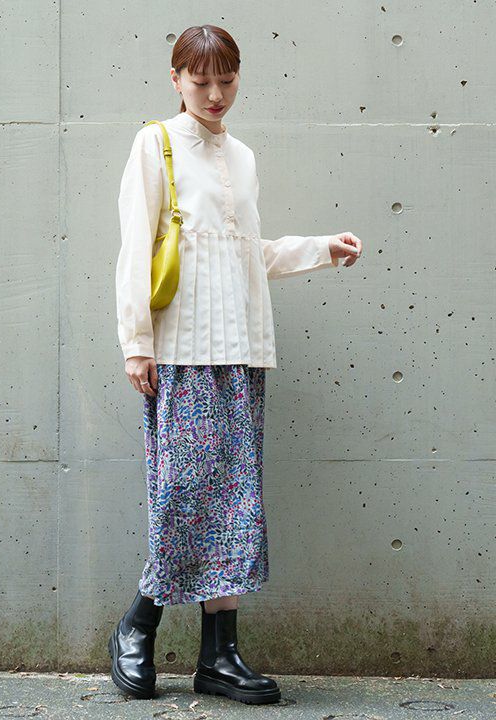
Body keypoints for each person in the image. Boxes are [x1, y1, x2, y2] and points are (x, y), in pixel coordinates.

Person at [109, 24, 362, 704]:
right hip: (182, 350)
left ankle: (218, 656)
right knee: (185, 493)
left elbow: (248, 253)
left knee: (236, 503)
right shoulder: (155, 144)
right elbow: (135, 247)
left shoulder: (243, 157)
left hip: (243, 351)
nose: (215, 94)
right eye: (201, 82)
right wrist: (137, 342)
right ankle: (138, 622)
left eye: (226, 81)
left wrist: (321, 248)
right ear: (176, 80)